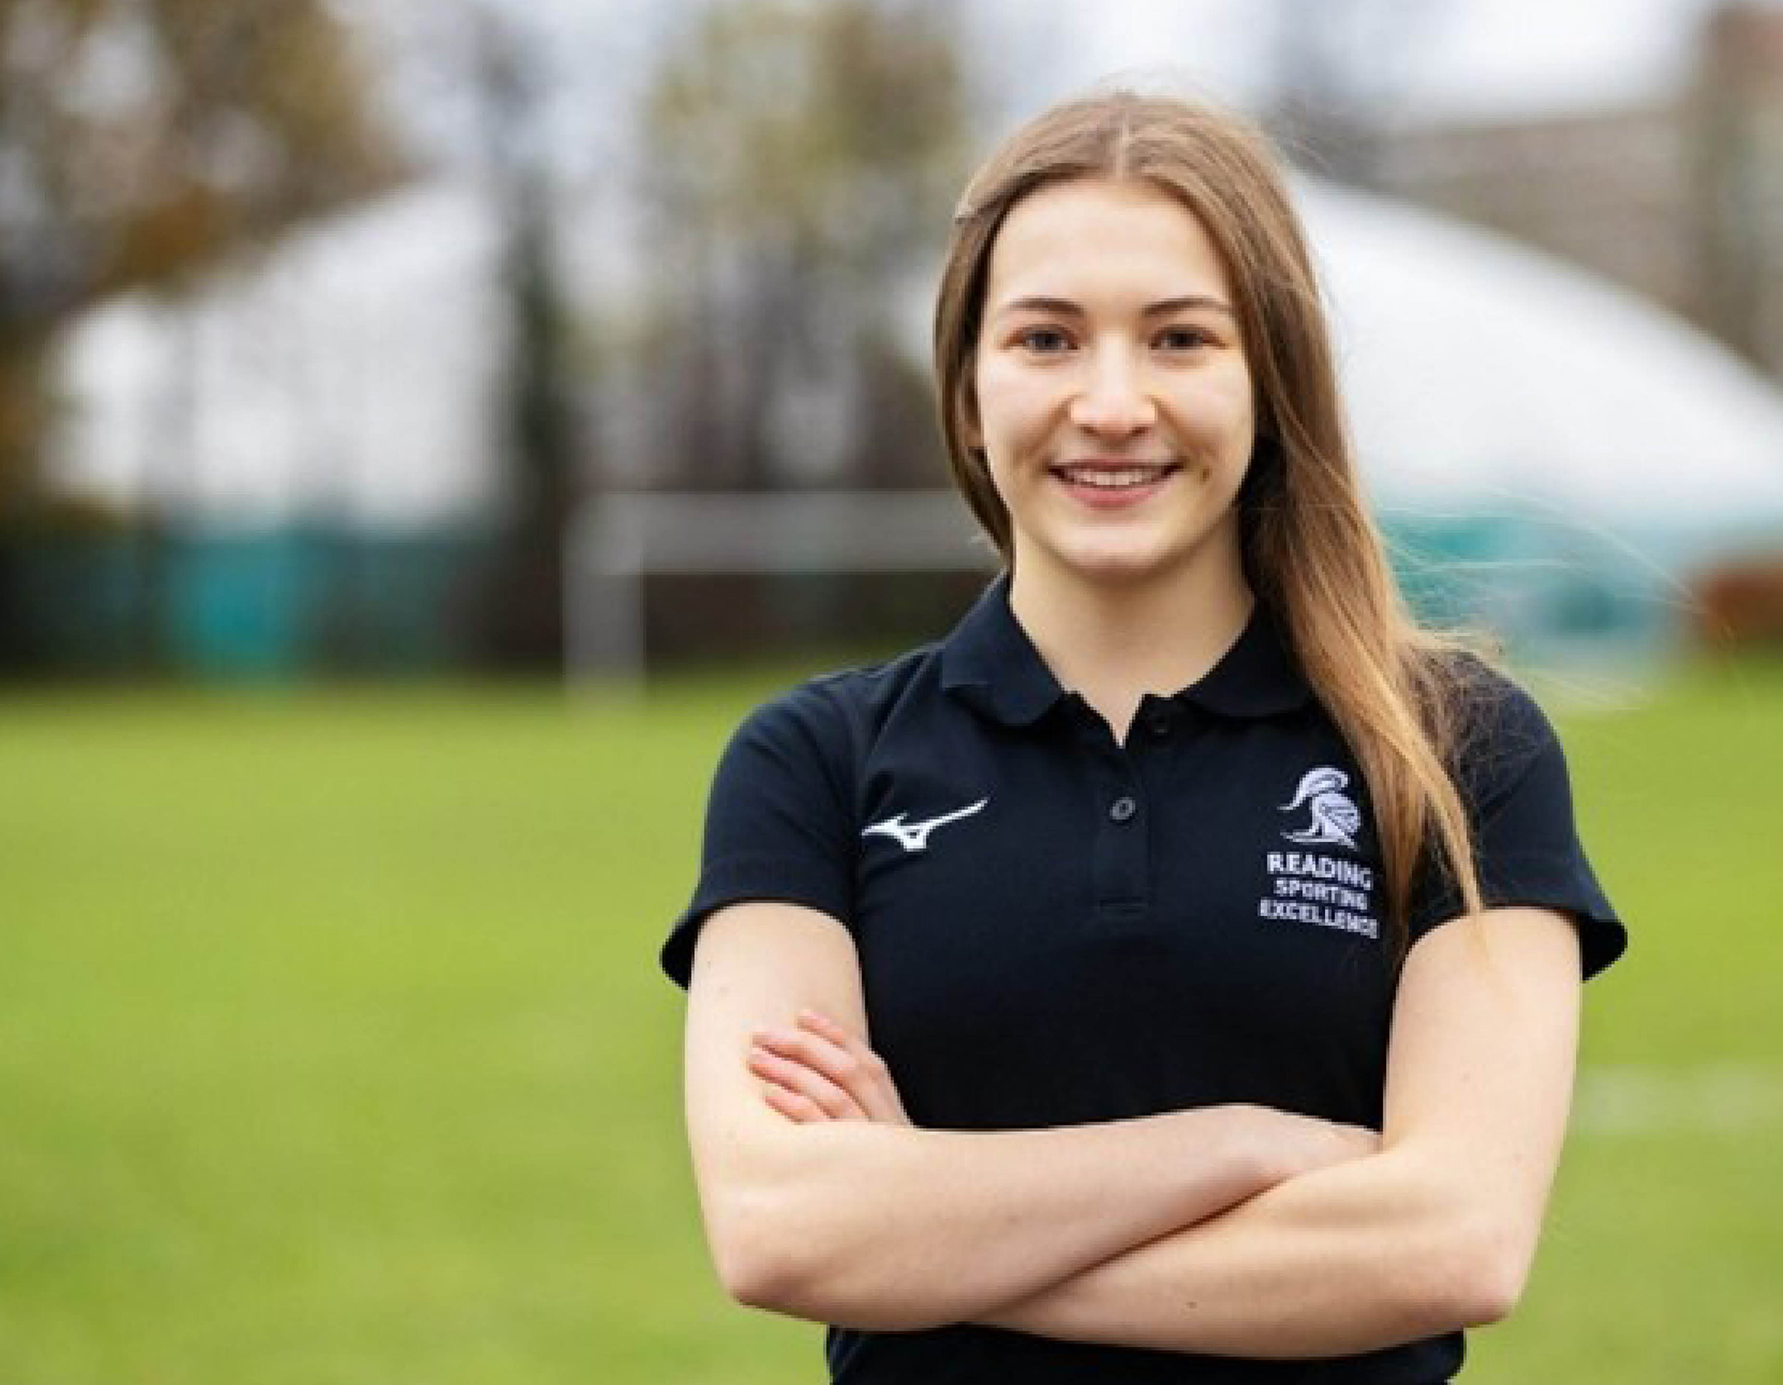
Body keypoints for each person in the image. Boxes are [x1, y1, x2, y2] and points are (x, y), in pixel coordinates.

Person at [659, 89, 1626, 1384]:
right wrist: (1241, 1145)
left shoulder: (1452, 749)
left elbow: (1449, 1243)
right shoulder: (811, 763)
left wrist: (936, 1237)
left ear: (1268, 382)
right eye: (1046, 339)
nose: (1111, 403)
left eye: (1178, 339)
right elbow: (785, 1228)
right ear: (965, 394)